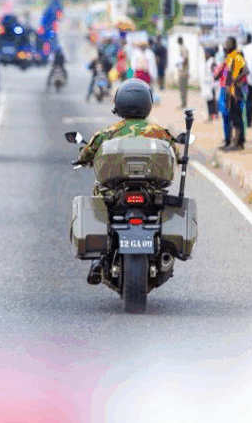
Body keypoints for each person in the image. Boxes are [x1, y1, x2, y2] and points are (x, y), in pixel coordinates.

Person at [75, 78, 180, 284]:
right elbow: (175, 154)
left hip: (116, 195)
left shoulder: (108, 132)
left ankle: (98, 259)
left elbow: (87, 154)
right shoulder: (160, 132)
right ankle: (163, 253)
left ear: (119, 103)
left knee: (98, 193)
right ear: (147, 104)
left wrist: (81, 158)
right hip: (151, 195)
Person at [216, 36, 248, 151]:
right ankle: (234, 142)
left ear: (233, 44)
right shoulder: (229, 57)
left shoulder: (236, 55)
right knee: (234, 118)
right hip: (231, 91)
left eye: (228, 43)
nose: (225, 45)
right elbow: (228, 73)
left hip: (236, 91)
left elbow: (245, 70)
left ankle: (238, 143)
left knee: (237, 118)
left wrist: (236, 81)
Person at [201, 48, 217, 123]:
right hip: (207, 84)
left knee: (211, 101)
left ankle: (211, 116)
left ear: (209, 54)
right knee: (209, 100)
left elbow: (214, 73)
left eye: (206, 53)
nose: (205, 55)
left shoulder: (212, 62)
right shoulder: (208, 61)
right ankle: (212, 115)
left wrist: (210, 80)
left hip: (210, 84)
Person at [175, 36, 190, 108]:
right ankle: (183, 103)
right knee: (182, 88)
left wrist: (179, 63)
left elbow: (185, 59)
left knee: (183, 88)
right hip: (182, 71)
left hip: (184, 72)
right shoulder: (182, 48)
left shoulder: (183, 48)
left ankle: (184, 104)